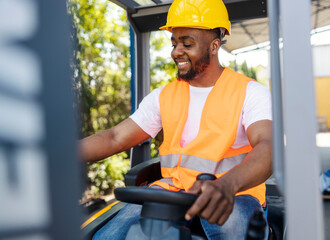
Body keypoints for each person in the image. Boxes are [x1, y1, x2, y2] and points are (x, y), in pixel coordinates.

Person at [81, 0, 273, 239]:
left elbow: (268, 147)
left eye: (187, 44)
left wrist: (226, 185)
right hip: (172, 192)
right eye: (174, 43)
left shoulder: (251, 92)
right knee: (108, 237)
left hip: (233, 194)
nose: (176, 52)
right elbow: (115, 137)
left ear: (214, 46)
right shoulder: (164, 96)